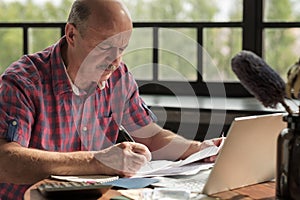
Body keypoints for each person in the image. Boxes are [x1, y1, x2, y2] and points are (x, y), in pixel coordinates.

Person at [0, 0, 223, 199]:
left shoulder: (118, 77)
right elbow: (5, 161)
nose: (115, 62)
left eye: (122, 49)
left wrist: (200, 149)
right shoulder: (23, 82)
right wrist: (96, 161)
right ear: (72, 35)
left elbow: (149, 136)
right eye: (104, 47)